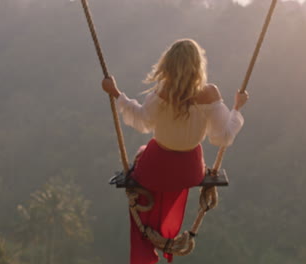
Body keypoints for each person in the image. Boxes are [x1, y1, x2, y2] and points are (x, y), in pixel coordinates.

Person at [101, 39, 248, 264]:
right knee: (150, 157)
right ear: (198, 65)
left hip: (154, 168)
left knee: (143, 161)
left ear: (168, 64)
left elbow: (141, 121)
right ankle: (165, 238)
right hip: (190, 170)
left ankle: (147, 250)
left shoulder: (163, 92)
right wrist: (236, 108)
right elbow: (222, 137)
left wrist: (116, 93)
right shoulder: (210, 93)